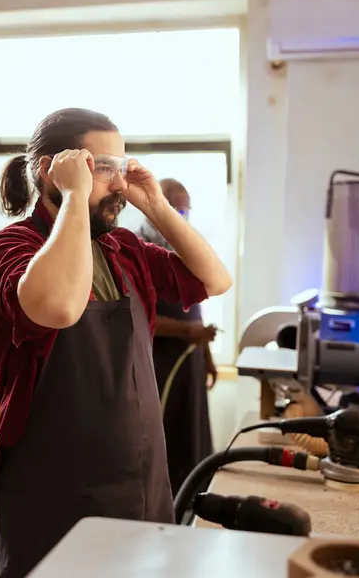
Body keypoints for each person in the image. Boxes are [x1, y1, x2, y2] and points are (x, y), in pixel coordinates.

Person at [0, 108, 232, 578]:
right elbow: (59, 307)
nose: (117, 183)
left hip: (140, 477)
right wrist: (74, 196)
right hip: (54, 484)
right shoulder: (6, 250)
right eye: (101, 168)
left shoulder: (124, 249)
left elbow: (214, 279)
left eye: (121, 166)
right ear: (50, 170)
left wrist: (155, 204)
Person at [138, 179, 218, 496]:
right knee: (163, 439)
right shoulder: (135, 251)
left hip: (191, 359)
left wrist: (207, 355)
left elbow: (196, 306)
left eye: (185, 210)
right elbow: (139, 316)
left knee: (193, 438)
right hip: (159, 363)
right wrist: (185, 331)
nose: (180, 216)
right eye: (175, 208)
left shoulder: (185, 250)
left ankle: (194, 503)